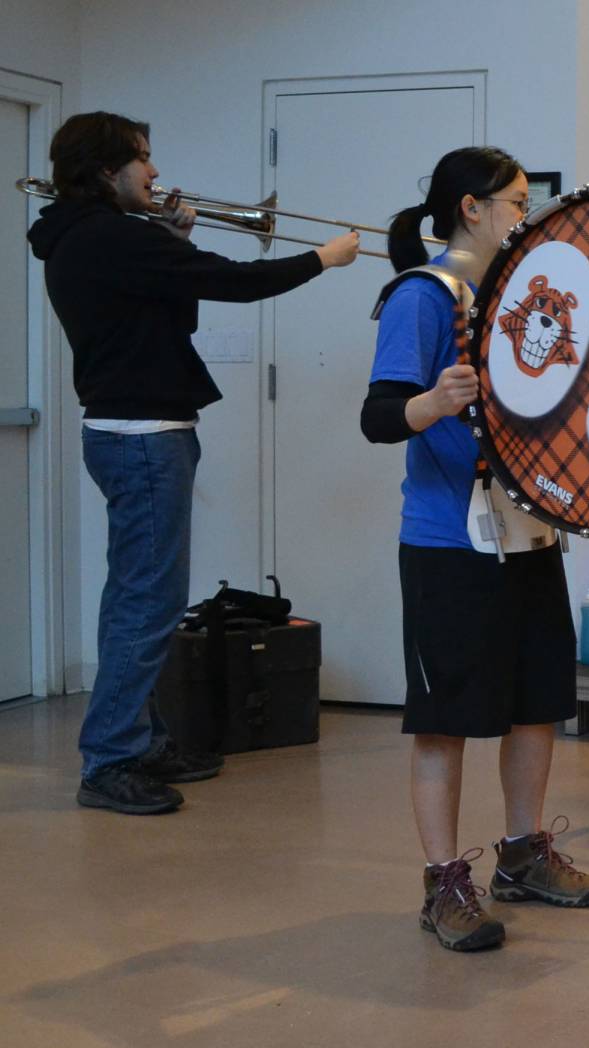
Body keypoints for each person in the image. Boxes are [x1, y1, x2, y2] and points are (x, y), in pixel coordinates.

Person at [28, 112, 360, 815]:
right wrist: (322, 260)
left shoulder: (99, 240)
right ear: (104, 170)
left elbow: (172, 318)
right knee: (147, 607)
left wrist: (172, 240)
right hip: (143, 438)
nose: (154, 172)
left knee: (136, 602)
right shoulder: (110, 237)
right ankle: (111, 759)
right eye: (142, 160)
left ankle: (137, 740)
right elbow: (235, 283)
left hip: (140, 432)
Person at [361, 147, 589, 952]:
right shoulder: (421, 295)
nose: (524, 216)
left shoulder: (513, 297)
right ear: (471, 208)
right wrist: (435, 400)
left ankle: (523, 853)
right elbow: (378, 415)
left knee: (536, 704)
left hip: (527, 533)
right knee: (445, 722)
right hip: (448, 544)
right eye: (514, 202)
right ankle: (442, 885)